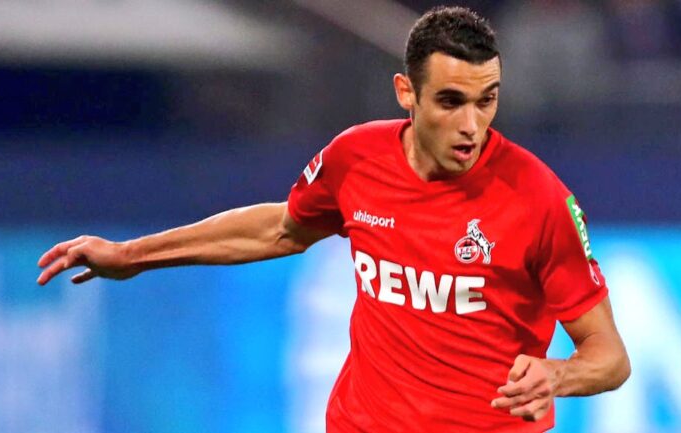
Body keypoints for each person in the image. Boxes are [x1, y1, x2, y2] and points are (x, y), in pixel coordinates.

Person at [36, 6, 630, 433]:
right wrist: (131, 255)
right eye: (451, 102)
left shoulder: (537, 198)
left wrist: (557, 375)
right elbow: (281, 229)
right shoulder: (356, 159)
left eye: (487, 100)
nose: (471, 125)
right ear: (406, 92)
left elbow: (608, 355)